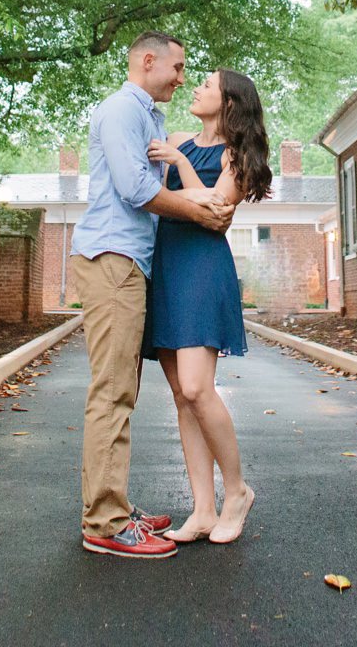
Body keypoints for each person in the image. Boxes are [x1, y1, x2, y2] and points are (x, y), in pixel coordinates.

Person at [73, 31, 233, 561]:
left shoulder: (151, 118)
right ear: (148, 61)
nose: (183, 77)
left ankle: (112, 505)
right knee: (113, 392)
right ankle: (104, 522)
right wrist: (201, 211)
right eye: (179, 67)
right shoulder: (121, 111)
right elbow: (137, 190)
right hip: (112, 259)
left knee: (123, 391)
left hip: (131, 263)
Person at [143, 68, 273, 545]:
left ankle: (236, 491)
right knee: (181, 397)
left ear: (229, 103)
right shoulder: (175, 135)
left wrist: (180, 163)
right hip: (168, 267)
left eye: (206, 84)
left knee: (198, 388)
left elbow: (215, 214)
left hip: (202, 269)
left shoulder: (236, 157)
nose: (195, 88)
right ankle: (201, 509)